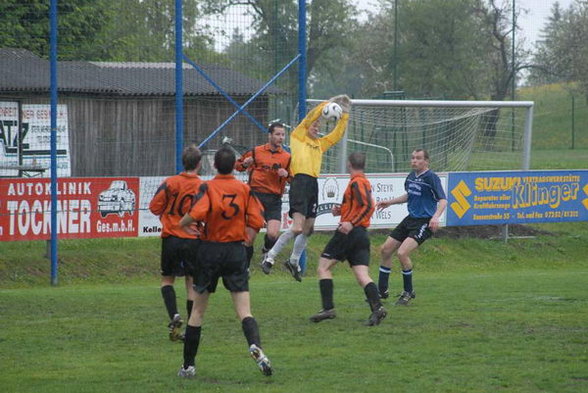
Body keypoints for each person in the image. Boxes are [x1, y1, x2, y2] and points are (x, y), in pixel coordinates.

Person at [177, 147, 272, 378]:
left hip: (210, 250)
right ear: (233, 166)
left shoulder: (207, 187)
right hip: (235, 251)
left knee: (197, 312)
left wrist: (182, 223)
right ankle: (255, 345)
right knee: (244, 310)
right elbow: (258, 219)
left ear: (215, 166)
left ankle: (188, 366)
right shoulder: (244, 189)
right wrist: (248, 237)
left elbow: (197, 213)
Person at [261, 95, 351, 281]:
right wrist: (327, 103)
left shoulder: (319, 144)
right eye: (314, 125)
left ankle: (293, 261)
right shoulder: (298, 137)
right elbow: (310, 117)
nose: (316, 128)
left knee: (308, 229)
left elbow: (336, 135)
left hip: (313, 185)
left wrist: (345, 115)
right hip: (300, 183)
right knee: (296, 228)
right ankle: (269, 258)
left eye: (319, 126)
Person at [310, 152, 387, 326]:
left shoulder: (357, 182)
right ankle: (378, 309)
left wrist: (350, 222)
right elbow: (359, 206)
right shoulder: (360, 182)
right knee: (362, 275)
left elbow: (369, 206)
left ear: (349, 164)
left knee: (323, 268)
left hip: (349, 233)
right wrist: (342, 211)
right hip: (361, 235)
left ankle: (328, 308)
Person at [376, 149, 447, 305]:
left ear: (426, 161)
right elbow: (408, 195)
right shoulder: (411, 177)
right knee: (385, 249)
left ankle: (408, 292)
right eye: (413, 158)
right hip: (410, 219)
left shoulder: (431, 178)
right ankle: (382, 291)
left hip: (424, 222)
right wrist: (389, 202)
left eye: (418, 158)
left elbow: (443, 200)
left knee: (402, 253)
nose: (414, 160)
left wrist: (435, 217)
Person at [149, 144, 203, 341]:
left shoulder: (170, 182)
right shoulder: (203, 186)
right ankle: (191, 326)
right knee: (191, 283)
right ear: (199, 163)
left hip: (171, 237)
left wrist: (168, 214)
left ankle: (174, 315)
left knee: (167, 280)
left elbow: (154, 207)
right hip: (192, 239)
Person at [234, 122, 291, 267]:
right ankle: (244, 269)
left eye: (283, 135)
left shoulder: (286, 157)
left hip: (274, 199)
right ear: (270, 135)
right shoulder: (256, 151)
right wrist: (245, 164)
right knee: (248, 238)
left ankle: (266, 249)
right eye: (277, 134)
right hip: (255, 197)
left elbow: (292, 178)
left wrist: (286, 175)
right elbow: (238, 165)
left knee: (273, 234)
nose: (280, 137)